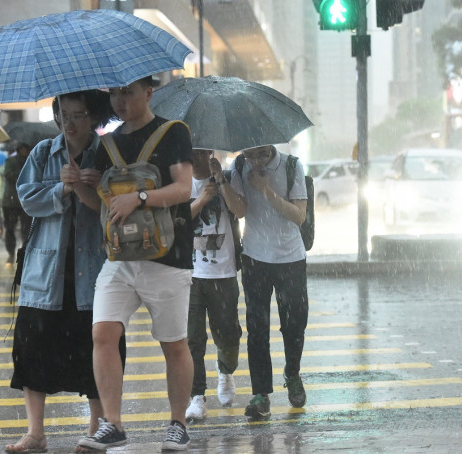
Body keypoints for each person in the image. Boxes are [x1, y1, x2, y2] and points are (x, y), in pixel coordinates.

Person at [78, 76, 195, 452]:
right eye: (113, 93)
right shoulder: (106, 143)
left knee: (173, 343)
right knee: (102, 334)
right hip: (120, 258)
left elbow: (184, 188)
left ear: (149, 92)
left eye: (127, 92)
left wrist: (139, 197)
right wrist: (79, 186)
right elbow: (103, 206)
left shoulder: (173, 132)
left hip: (168, 256)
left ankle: (178, 423)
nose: (119, 100)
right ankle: (112, 423)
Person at [5, 90, 124, 454]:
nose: (70, 123)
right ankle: (36, 433)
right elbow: (27, 197)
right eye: (64, 115)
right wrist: (61, 188)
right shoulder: (43, 153)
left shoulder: (107, 154)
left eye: (79, 115)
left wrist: (92, 186)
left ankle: (95, 429)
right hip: (47, 272)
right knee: (33, 350)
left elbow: (118, 201)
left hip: (94, 271)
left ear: (93, 118)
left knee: (96, 351)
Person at [222, 144, 309, 419]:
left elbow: (299, 215)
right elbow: (240, 211)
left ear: (271, 148)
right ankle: (261, 394)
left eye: (259, 155)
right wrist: (220, 181)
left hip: (291, 258)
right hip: (255, 258)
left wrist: (266, 190)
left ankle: (292, 373)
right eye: (249, 155)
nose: (254, 160)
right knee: (257, 329)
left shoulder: (292, 166)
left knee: (294, 324)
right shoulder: (239, 167)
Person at [184, 149, 243, 421]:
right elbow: (176, 222)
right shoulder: (180, 181)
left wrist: (220, 181)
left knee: (228, 334)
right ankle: (197, 396)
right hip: (191, 274)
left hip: (224, 271)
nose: (204, 155)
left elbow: (240, 210)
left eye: (207, 150)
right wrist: (202, 199)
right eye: (198, 150)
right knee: (193, 338)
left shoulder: (226, 178)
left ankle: (226, 372)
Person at [0, 142, 32, 267]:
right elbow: (8, 175)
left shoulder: (31, 161)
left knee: (26, 230)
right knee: (10, 230)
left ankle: (24, 253)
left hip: (25, 201)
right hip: (11, 202)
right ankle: (11, 253)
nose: (26, 151)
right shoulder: (11, 161)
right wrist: (23, 173)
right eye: (25, 149)